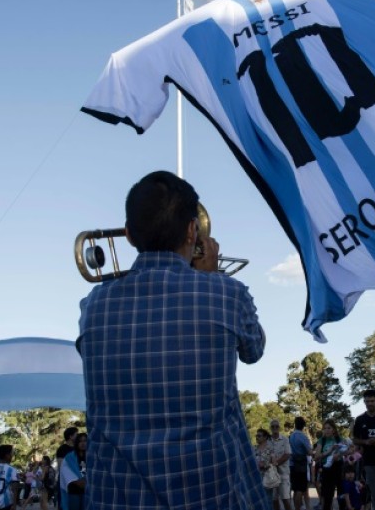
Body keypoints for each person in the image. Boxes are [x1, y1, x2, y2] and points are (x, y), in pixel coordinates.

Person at [76, 170, 269, 509]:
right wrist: (211, 278)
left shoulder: (93, 305)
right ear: (193, 230)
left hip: (116, 500)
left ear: (128, 234)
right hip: (209, 496)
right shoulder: (227, 293)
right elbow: (254, 350)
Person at [314, 419, 349, 510]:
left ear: (333, 429)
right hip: (327, 469)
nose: (327, 430)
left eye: (329, 428)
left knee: (341, 495)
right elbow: (316, 457)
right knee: (327, 496)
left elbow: (348, 451)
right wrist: (329, 451)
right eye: (325, 428)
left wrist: (339, 455)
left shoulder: (339, 439)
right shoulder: (322, 440)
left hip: (338, 467)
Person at [288, 416, 313, 510]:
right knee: (300, 489)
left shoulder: (291, 436)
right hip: (301, 464)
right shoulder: (303, 436)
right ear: (303, 426)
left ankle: (296, 508)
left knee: (295, 489)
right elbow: (309, 451)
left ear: (295, 424)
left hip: (292, 464)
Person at [268, 419, 293, 510]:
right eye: (273, 426)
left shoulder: (285, 439)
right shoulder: (267, 440)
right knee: (274, 500)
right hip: (271, 475)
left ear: (279, 427)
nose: (275, 428)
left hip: (283, 474)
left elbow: (287, 454)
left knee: (285, 499)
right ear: (270, 428)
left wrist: (276, 463)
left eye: (276, 426)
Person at [59, 433, 87, 510]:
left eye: (85, 441)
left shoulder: (91, 456)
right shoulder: (69, 457)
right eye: (80, 441)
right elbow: (65, 471)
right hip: (74, 490)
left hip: (87, 490)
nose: (83, 443)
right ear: (77, 443)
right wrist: (77, 481)